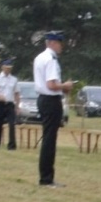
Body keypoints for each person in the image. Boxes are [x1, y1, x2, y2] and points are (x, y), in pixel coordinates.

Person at [32, 32, 72, 188]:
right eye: (60, 43)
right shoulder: (51, 60)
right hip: (51, 100)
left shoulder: (39, 57)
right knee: (49, 140)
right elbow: (51, 85)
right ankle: (46, 178)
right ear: (53, 43)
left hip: (43, 99)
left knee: (48, 138)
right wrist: (66, 86)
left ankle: (47, 176)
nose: (61, 46)